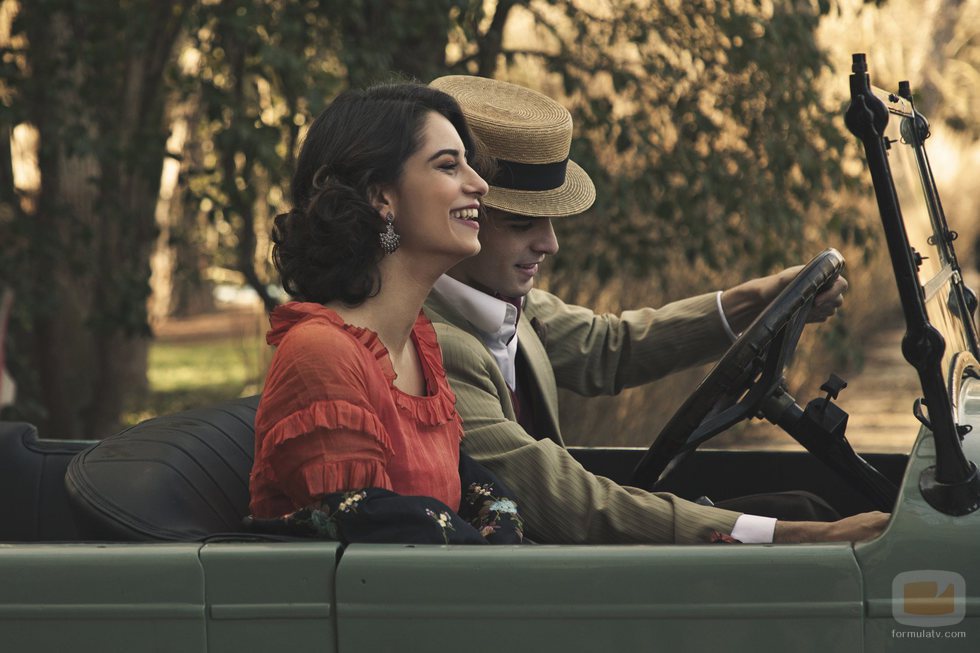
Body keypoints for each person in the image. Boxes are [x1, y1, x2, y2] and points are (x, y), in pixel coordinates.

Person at [424, 74, 888, 545]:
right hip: (536, 582)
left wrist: (754, 300)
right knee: (806, 519)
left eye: (550, 220)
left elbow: (608, 347)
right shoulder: (434, 345)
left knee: (804, 504)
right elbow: (572, 505)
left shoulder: (501, 303)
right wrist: (805, 538)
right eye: (522, 222)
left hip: (561, 550)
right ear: (458, 212)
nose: (550, 243)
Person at [246, 82, 523, 545]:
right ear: (382, 197)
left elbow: (476, 486)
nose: (479, 184)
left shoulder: (420, 342)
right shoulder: (322, 353)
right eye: (448, 166)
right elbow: (371, 536)